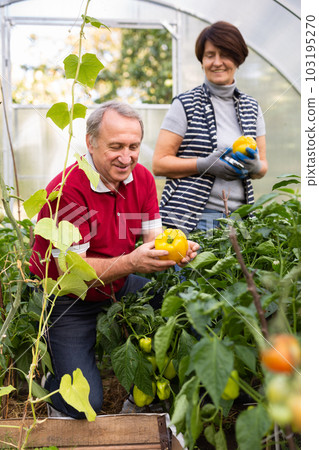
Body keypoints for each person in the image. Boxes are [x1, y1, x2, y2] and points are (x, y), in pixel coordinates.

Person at [29, 101, 199, 418]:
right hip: (67, 297)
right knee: (84, 406)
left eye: (133, 146)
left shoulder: (143, 180)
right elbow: (72, 273)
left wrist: (177, 250)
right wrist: (133, 263)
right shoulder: (68, 190)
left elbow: (154, 241)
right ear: (91, 143)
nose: (126, 157)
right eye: (116, 146)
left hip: (116, 284)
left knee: (187, 305)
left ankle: (152, 392)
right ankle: (52, 379)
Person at [152, 21, 268, 233]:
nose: (217, 62)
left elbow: (263, 167)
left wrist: (254, 166)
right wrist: (204, 164)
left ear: (238, 58)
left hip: (238, 218)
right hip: (191, 219)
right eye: (209, 55)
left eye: (225, 54)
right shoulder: (185, 104)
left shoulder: (252, 107)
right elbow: (159, 164)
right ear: (202, 60)